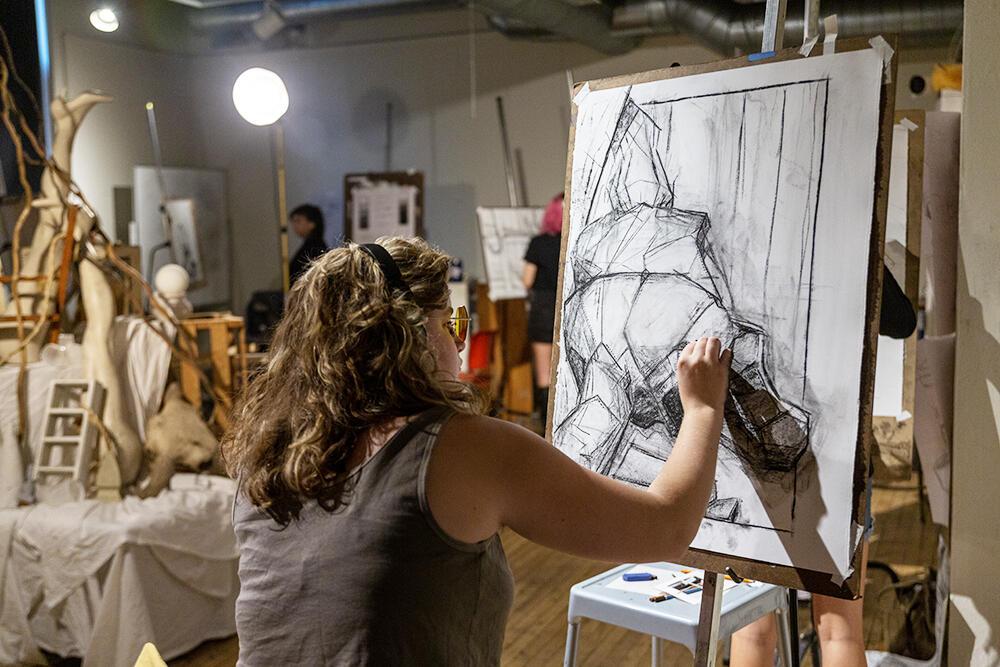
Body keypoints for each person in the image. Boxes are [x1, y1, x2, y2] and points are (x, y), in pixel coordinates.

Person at [223, 236, 732, 666]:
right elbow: (666, 527)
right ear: (412, 334)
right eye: (451, 323)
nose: (461, 343)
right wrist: (703, 408)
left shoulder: (267, 451)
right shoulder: (458, 446)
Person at [729, 265, 917, 667]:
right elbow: (901, 320)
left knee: (752, 626)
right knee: (839, 629)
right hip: (837, 449)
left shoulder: (740, 246)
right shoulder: (851, 242)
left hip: (753, 453)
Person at [522, 193, 564, 428]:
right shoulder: (576, 241)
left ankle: (547, 428)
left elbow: (527, 280)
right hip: (568, 308)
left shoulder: (539, 243)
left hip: (543, 309)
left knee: (543, 373)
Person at [288, 203, 328, 285]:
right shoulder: (310, 245)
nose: (294, 225)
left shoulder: (315, 247)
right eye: (293, 221)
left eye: (298, 221)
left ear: (312, 224)